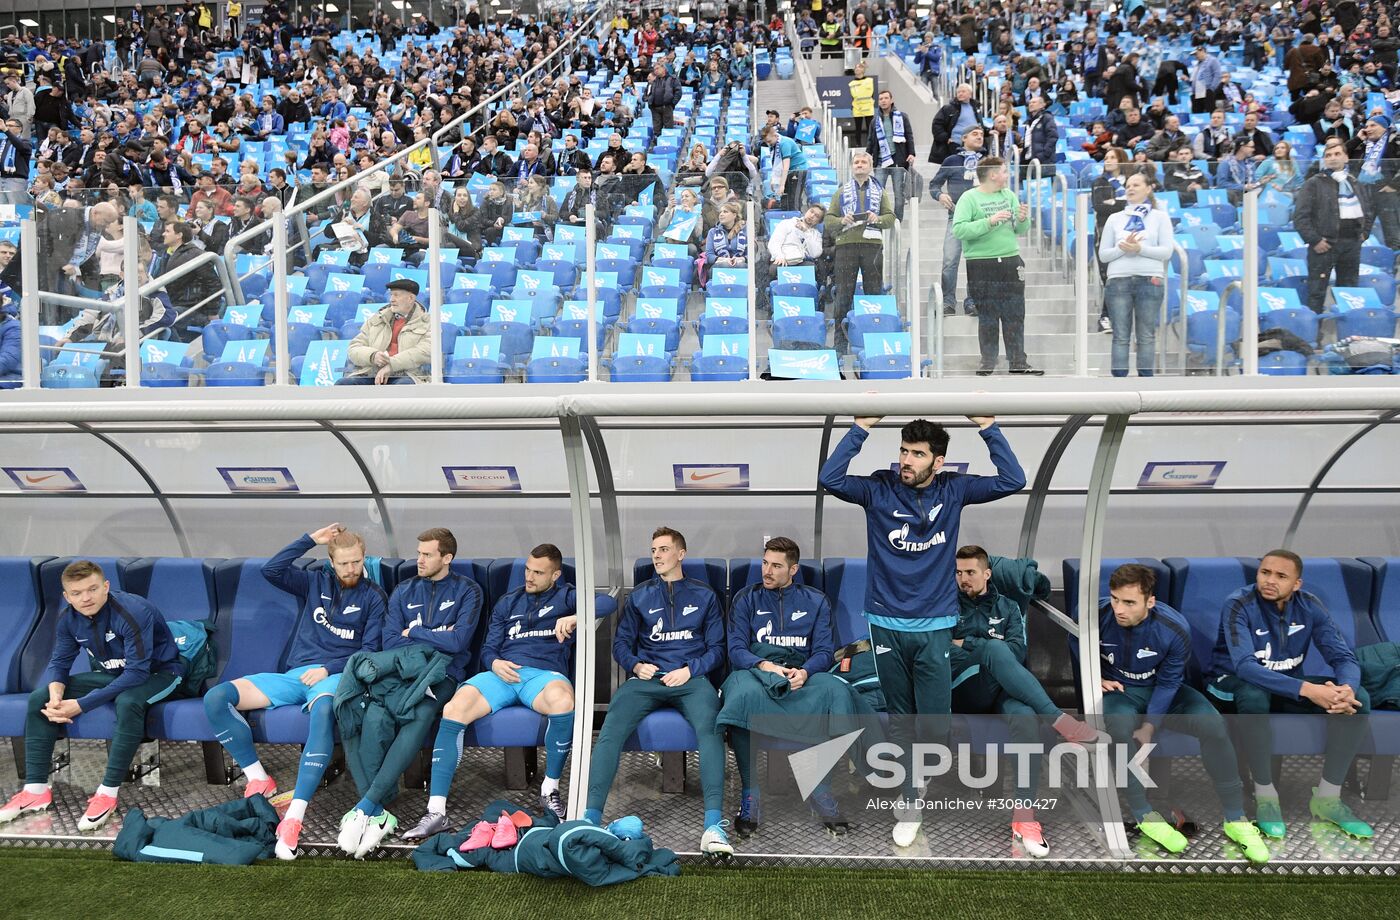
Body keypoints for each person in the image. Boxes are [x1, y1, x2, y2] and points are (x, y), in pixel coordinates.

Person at [819, 415, 1026, 846]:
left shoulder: (953, 490)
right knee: (900, 719)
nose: (906, 461)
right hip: (885, 623)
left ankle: (919, 777)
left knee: (933, 723)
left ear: (938, 460)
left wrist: (988, 426)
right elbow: (829, 477)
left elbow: (1013, 479)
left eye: (916, 454)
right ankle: (910, 795)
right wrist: (860, 428)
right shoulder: (878, 488)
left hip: (934, 626)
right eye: (903, 451)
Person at [200, 525, 386, 860]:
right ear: (331, 562)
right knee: (217, 698)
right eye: (343, 563)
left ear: (363, 558)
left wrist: (328, 668)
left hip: (338, 676)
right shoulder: (316, 582)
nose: (350, 570)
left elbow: (370, 651)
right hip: (296, 675)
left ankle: (295, 817)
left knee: (324, 711)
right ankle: (258, 778)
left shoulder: (374, 597)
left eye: (356, 562)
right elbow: (272, 569)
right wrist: (310, 540)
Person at [402, 543, 576, 839]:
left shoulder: (568, 596)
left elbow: (606, 603)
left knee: (563, 702)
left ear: (556, 574)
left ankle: (550, 790)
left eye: (538, 572)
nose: (529, 577)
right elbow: (488, 648)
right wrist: (494, 663)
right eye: (527, 570)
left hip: (542, 675)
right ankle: (436, 811)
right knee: (454, 709)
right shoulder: (509, 601)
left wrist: (576, 617)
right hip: (501, 673)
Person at [1099, 564, 1271, 863]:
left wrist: (1151, 725)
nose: (1119, 609)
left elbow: (1168, 683)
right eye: (1115, 599)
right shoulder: (1095, 619)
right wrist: (1094, 678)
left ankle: (1235, 818)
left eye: (1129, 602)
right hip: (1121, 694)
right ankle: (1143, 814)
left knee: (1215, 726)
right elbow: (1078, 652)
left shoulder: (1174, 628)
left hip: (1165, 691)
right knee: (1118, 726)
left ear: (1150, 602)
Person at [0, 561, 187, 832]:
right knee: (40, 698)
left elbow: (136, 674)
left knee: (128, 700)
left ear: (106, 587)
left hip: (160, 674)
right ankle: (35, 790)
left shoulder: (134, 610)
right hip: (114, 675)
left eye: (92, 589)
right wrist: (56, 693)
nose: (85, 598)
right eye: (76, 593)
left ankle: (107, 793)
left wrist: (80, 705)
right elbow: (60, 662)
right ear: (67, 596)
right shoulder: (68, 618)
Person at [1207, 551, 1374, 841]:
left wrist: (1345, 689)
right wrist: (1309, 690)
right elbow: (1245, 667)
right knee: (1255, 695)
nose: (1270, 581)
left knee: (1360, 701)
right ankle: (1266, 797)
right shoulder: (1238, 603)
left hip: (1285, 684)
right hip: (1229, 683)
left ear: (1297, 584)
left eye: (1281, 576)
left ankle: (1328, 799)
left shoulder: (1310, 606)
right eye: (1264, 573)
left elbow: (1343, 657)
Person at [584, 526, 731, 856]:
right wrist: (636, 665)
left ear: (681, 554)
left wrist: (690, 670)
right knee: (608, 732)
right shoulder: (639, 596)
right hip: (647, 679)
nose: (657, 556)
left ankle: (713, 826)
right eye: (653, 550)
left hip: (690, 679)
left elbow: (718, 648)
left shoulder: (705, 595)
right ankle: (590, 820)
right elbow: (621, 644)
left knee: (711, 731)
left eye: (664, 549)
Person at [338, 529, 482, 856]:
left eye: (427, 554)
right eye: (418, 553)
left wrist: (414, 631)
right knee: (374, 715)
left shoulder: (467, 591)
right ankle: (377, 809)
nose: (419, 559)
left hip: (442, 674)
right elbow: (390, 641)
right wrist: (434, 634)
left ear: (447, 558)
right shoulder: (404, 590)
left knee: (419, 713)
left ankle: (364, 807)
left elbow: (458, 642)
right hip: (399, 669)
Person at [952, 545, 1103, 857]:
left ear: (987, 573)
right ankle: (1059, 719)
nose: (963, 579)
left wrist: (969, 643)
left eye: (970, 572)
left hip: (1003, 689)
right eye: (958, 572)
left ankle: (1024, 818)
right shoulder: (946, 606)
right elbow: (946, 652)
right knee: (996, 651)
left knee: (1024, 719)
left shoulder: (1007, 606)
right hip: (964, 688)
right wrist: (985, 647)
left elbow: (1019, 651)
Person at [721, 536, 849, 838]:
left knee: (837, 693)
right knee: (740, 698)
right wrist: (764, 666)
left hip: (801, 671)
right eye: (765, 563)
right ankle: (750, 796)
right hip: (755, 670)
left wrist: (804, 673)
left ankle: (820, 791)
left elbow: (824, 650)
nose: (766, 571)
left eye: (776, 566)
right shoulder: (745, 598)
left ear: (793, 570)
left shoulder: (816, 600)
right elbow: (736, 648)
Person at [951, 156, 1040, 376]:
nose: (1007, 175)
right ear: (992, 175)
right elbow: (959, 230)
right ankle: (988, 361)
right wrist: (989, 222)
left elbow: (1020, 230)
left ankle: (1018, 361)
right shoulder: (969, 198)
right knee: (988, 314)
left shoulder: (1008, 195)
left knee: (1015, 314)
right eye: (1004, 171)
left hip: (1010, 261)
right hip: (981, 263)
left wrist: (1022, 218)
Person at [1097, 173, 1174, 377]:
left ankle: (1146, 385)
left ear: (1148, 188)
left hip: (1150, 279)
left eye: (1136, 184)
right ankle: (1120, 388)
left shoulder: (1160, 217)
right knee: (1120, 336)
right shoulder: (1115, 218)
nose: (1130, 188)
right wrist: (1124, 249)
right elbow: (1104, 255)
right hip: (1118, 281)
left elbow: (1166, 251)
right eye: (1128, 185)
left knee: (1146, 335)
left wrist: (1139, 249)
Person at [824, 151, 895, 353]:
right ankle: (840, 344)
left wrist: (877, 219)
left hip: (872, 246)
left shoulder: (881, 192)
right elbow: (829, 221)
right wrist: (841, 221)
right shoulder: (841, 191)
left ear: (871, 166)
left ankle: (874, 342)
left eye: (864, 162)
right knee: (843, 295)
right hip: (846, 246)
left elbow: (890, 218)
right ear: (852, 166)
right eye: (856, 162)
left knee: (874, 294)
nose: (860, 165)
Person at [1294, 139, 1371, 314]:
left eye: (1337, 154)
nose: (1332, 158)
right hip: (1324, 246)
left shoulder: (1354, 182)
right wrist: (1315, 240)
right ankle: (1314, 335)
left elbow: (1367, 210)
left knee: (1350, 292)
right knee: (1316, 293)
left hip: (1352, 245)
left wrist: (1364, 234)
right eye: (1328, 155)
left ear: (1346, 158)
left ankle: (1348, 336)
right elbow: (1300, 217)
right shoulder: (1313, 183)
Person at [930, 125, 985, 318]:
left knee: (977, 262)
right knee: (950, 261)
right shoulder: (951, 160)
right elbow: (934, 184)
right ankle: (947, 301)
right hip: (956, 217)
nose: (980, 137)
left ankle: (973, 301)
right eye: (975, 134)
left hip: (981, 219)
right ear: (963, 138)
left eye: (982, 135)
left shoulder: (988, 161)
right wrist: (940, 195)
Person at [340, 278, 431, 384]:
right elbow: (354, 348)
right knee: (343, 384)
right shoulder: (377, 319)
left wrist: (391, 364)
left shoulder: (428, 322)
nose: (391, 299)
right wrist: (373, 356)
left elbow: (425, 351)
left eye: (396, 295)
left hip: (408, 375)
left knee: (402, 386)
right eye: (391, 295)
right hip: (373, 373)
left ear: (410, 298)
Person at [1346, 114, 1400, 250]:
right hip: (1364, 193)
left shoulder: (1395, 141)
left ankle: (1396, 266)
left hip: (1387, 194)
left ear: (1385, 127)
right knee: (1359, 233)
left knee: (1393, 233)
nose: (1368, 129)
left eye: (1373, 125)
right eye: (1366, 126)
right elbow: (1342, 152)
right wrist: (1358, 138)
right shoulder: (1363, 144)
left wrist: (1393, 186)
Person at [867, 90, 916, 221]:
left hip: (898, 162)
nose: (883, 100)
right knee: (878, 194)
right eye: (881, 98)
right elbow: (871, 141)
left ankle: (897, 221)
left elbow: (909, 136)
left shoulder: (902, 117)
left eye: (886, 98)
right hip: (880, 162)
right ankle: (879, 219)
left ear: (891, 100)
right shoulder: (874, 121)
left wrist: (911, 153)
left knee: (899, 196)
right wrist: (867, 156)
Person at [1189, 46, 1224, 114]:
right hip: (1197, 90)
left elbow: (1217, 75)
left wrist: (1211, 89)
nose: (1195, 56)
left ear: (1202, 51)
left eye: (1196, 54)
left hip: (1207, 90)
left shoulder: (1212, 60)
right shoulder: (1198, 64)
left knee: (1209, 111)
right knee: (1197, 112)